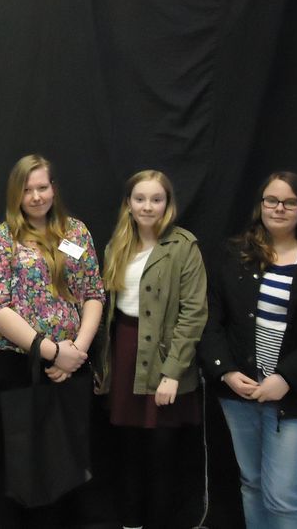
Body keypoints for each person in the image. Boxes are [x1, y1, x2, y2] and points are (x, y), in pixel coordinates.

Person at [198, 172, 297, 529]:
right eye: (272, 200)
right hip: (240, 393)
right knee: (252, 484)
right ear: (260, 205)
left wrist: (287, 378)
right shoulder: (235, 254)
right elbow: (211, 318)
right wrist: (226, 372)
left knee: (282, 495)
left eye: (289, 202)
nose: (279, 208)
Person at [0, 154, 105, 528]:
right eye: (27, 189)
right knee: (15, 465)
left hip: (69, 367)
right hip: (14, 366)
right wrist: (51, 352)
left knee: (63, 465)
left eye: (42, 187)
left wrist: (76, 351)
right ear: (15, 194)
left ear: (54, 189)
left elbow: (93, 293)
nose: (35, 196)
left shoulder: (75, 233)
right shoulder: (0, 237)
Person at [97, 169, 207, 529]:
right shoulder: (117, 246)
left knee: (162, 453)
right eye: (140, 198)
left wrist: (172, 372)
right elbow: (107, 310)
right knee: (127, 450)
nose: (147, 206)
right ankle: (130, 523)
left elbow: (193, 314)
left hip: (164, 357)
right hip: (125, 353)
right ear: (128, 203)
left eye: (156, 199)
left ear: (167, 204)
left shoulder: (184, 246)